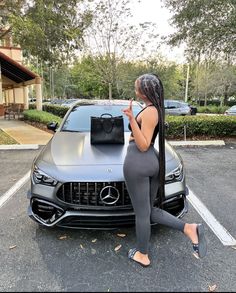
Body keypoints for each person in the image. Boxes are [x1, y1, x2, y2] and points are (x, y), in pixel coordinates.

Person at [122, 73, 207, 267]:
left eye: (137, 87)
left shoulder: (151, 111)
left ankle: (142, 255)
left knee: (142, 214)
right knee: (149, 210)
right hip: (149, 161)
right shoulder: (152, 109)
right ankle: (189, 228)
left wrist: (131, 119)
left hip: (139, 160)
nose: (135, 90)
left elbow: (143, 144)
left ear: (145, 91)